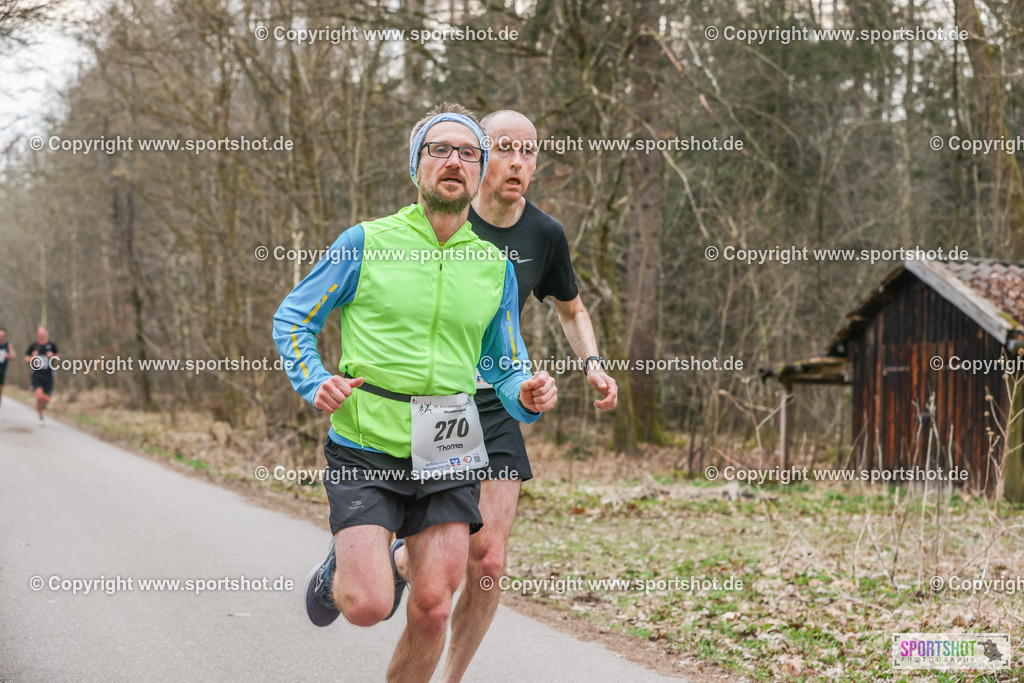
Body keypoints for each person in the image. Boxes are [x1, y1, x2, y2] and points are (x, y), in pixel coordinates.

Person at [272, 102, 557, 681]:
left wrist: (524, 392)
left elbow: (504, 366)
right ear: (415, 165)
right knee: (368, 605)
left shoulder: (494, 267)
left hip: (448, 439)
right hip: (367, 439)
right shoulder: (365, 242)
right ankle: (339, 575)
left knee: (433, 608)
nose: (454, 161)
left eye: (468, 153)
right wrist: (314, 378)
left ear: (479, 171)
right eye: (439, 150)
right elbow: (294, 317)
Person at [391, 110, 619, 682]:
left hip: (499, 399)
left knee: (488, 560)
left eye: (529, 151)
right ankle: (387, 559)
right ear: (480, 154)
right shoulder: (445, 214)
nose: (518, 162)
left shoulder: (544, 234)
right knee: (438, 563)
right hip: (442, 399)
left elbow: (572, 308)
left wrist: (592, 364)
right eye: (505, 148)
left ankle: (452, 678)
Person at [25, 326, 58, 424]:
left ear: (46, 333)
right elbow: (26, 359)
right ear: (37, 334)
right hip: (37, 374)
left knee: (47, 400)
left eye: (43, 332)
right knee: (39, 397)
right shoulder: (33, 346)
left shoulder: (51, 345)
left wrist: (52, 356)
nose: (42, 334)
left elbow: (58, 356)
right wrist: (33, 357)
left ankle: (40, 406)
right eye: (40, 332)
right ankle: (40, 415)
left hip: (48, 375)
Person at [0, 327, 10, 418]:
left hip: (2, 371)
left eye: (2, 335)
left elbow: (13, 355)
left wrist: (9, 355)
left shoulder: (8, 345)